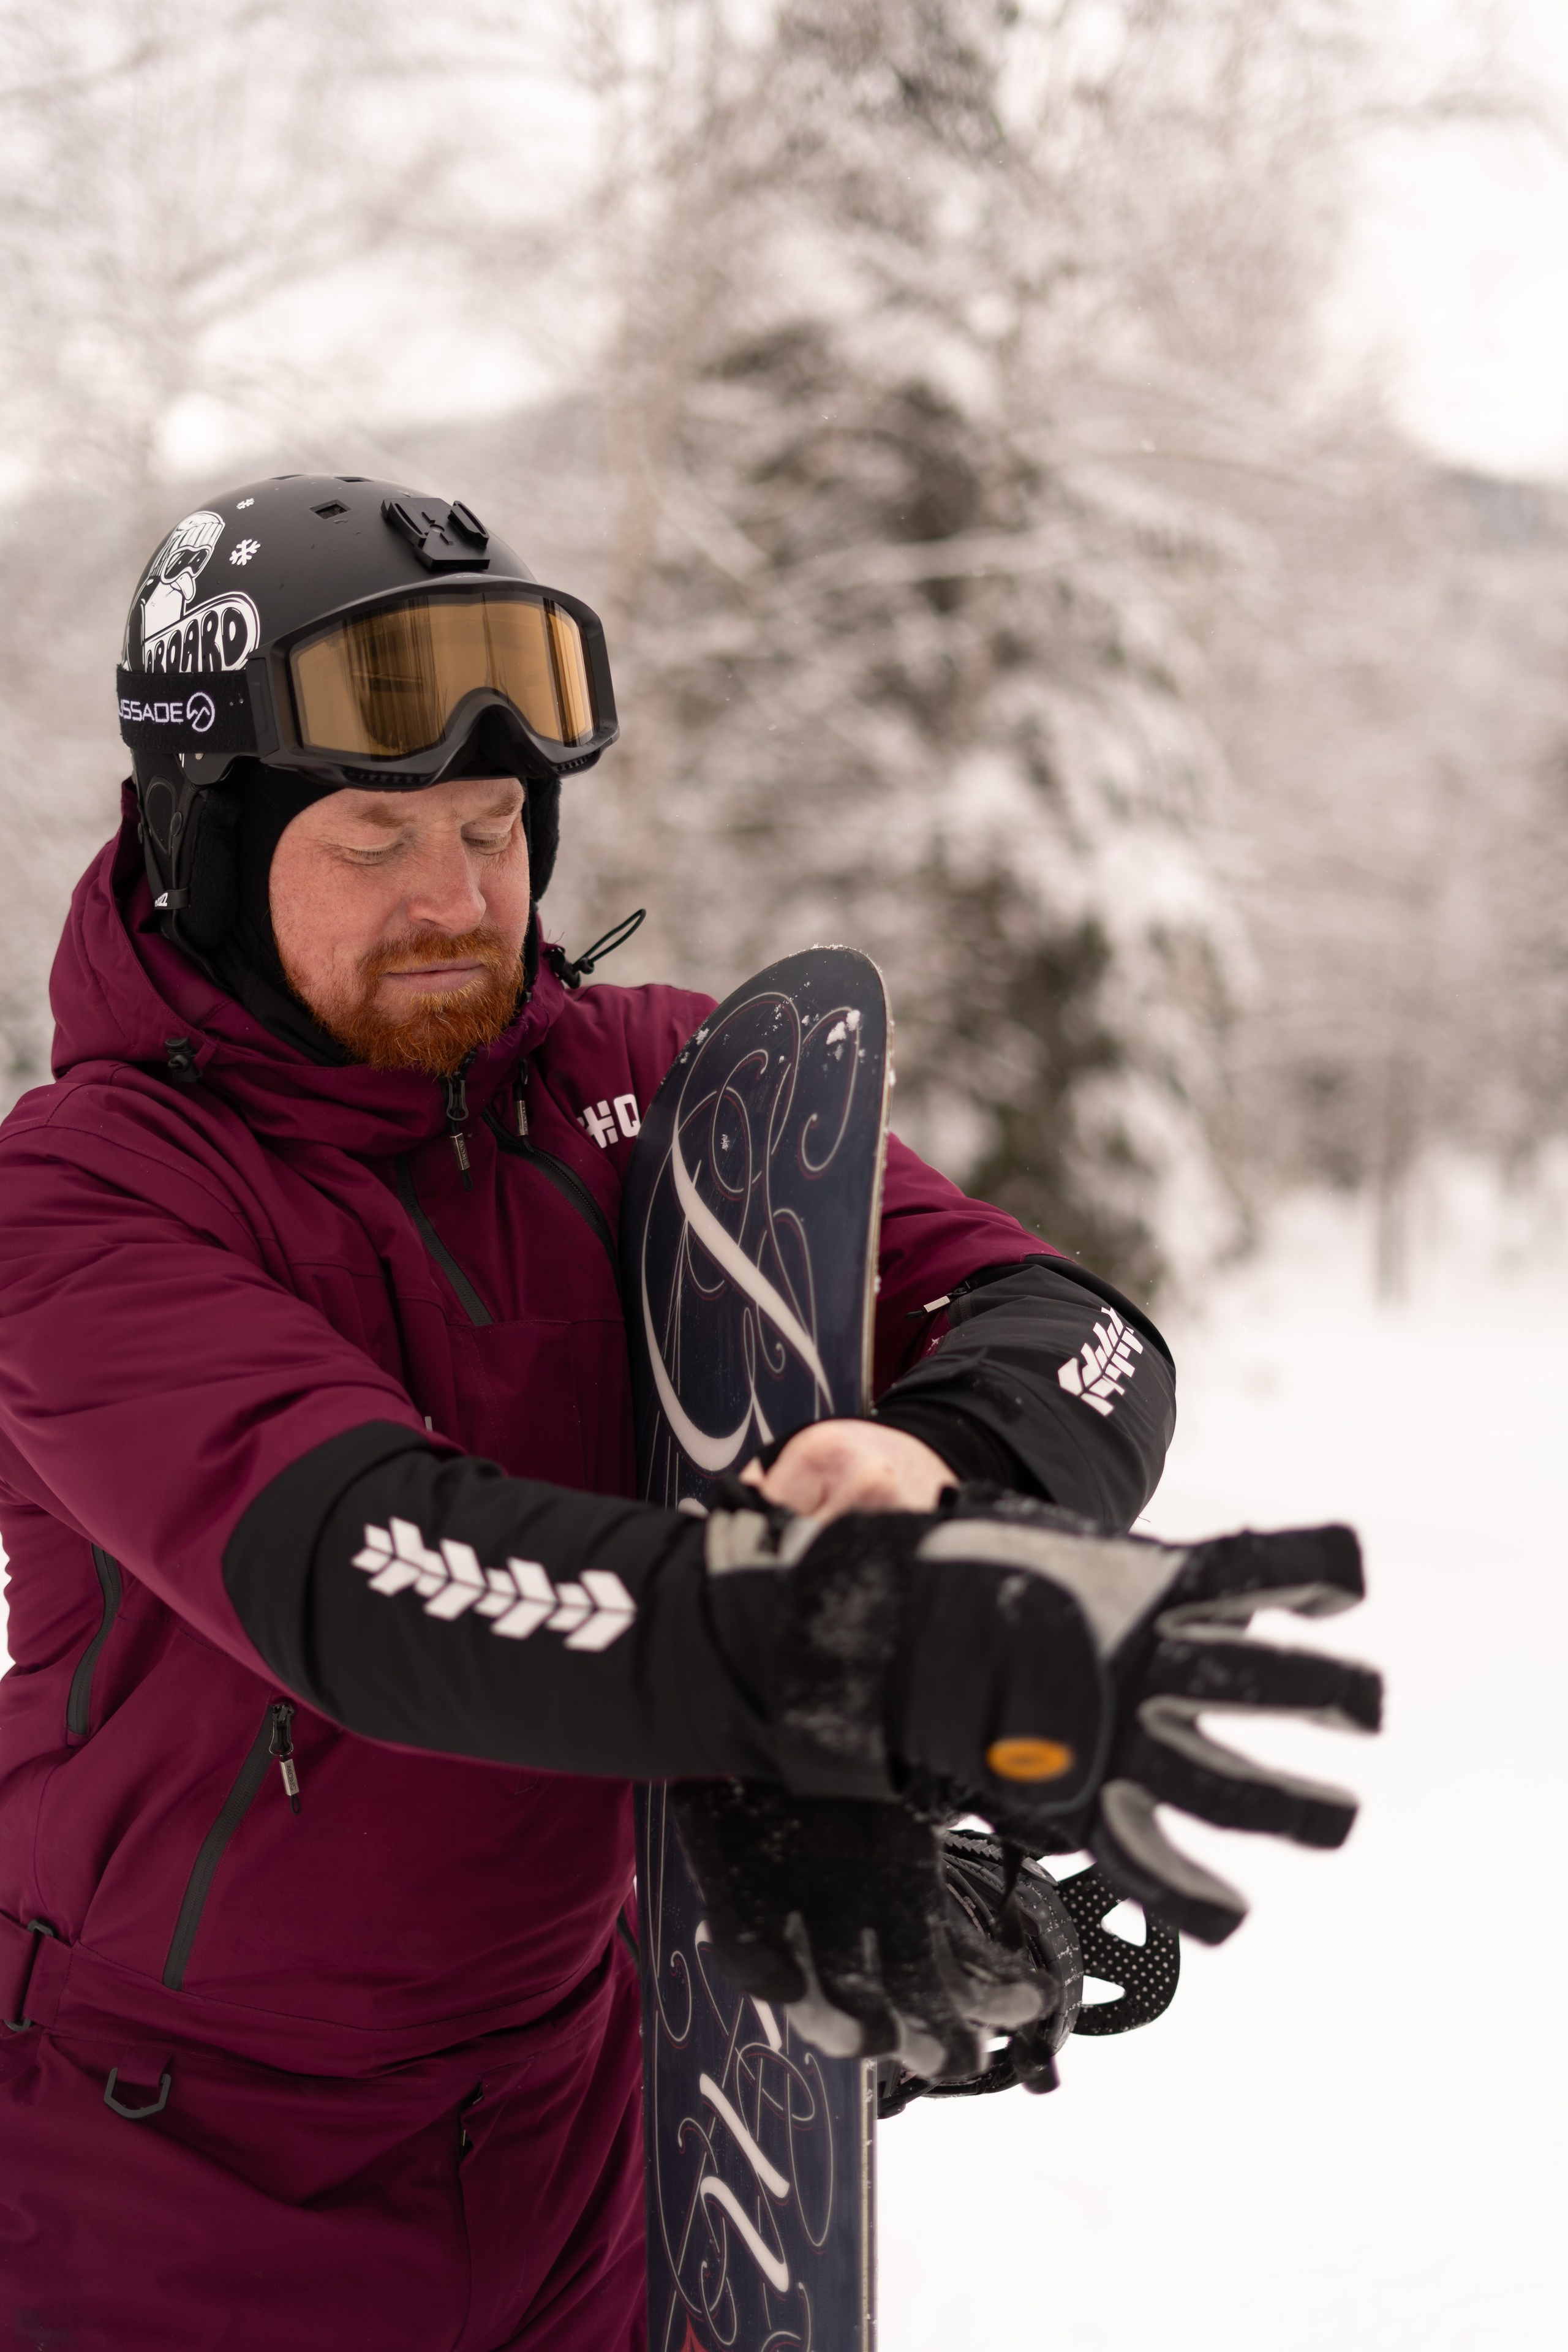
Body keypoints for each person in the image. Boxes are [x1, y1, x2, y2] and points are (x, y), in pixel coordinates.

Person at [0, 477, 1375, 2350]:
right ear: (210, 844)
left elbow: (1073, 1328)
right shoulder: (90, 1193)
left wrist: (926, 1477)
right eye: (380, 837)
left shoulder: (651, 1092)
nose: (461, 899)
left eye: (496, 829)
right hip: (167, 2165)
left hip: (584, 2127)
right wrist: (828, 1647)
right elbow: (359, 1569)